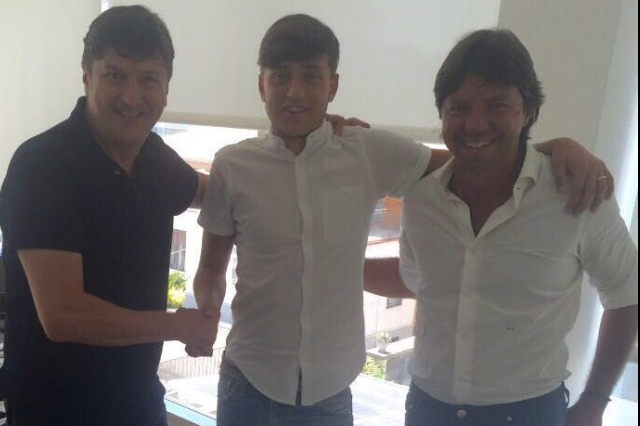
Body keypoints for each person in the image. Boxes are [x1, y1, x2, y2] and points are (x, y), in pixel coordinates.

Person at [190, 15, 612, 426]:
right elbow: (210, 268)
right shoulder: (232, 165)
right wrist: (207, 307)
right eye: (280, 76)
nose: (294, 91)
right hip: (247, 383)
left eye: (311, 76)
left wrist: (555, 149)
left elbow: (475, 156)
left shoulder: (367, 151)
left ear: (333, 85)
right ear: (261, 84)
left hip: (329, 397)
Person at [364, 29, 638, 426]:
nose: (475, 124)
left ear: (528, 112)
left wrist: (595, 401)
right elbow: (418, 281)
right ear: (442, 114)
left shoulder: (577, 195)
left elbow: (627, 294)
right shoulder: (422, 200)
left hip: (529, 414)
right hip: (427, 410)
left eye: (497, 105)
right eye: (459, 107)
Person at [0, 6, 218, 426]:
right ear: (87, 76)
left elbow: (224, 194)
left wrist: (314, 138)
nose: (131, 97)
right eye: (115, 75)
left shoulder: (154, 159)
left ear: (166, 89)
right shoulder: (43, 165)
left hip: (138, 401)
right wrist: (178, 327)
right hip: (55, 411)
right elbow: (64, 315)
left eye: (148, 79)